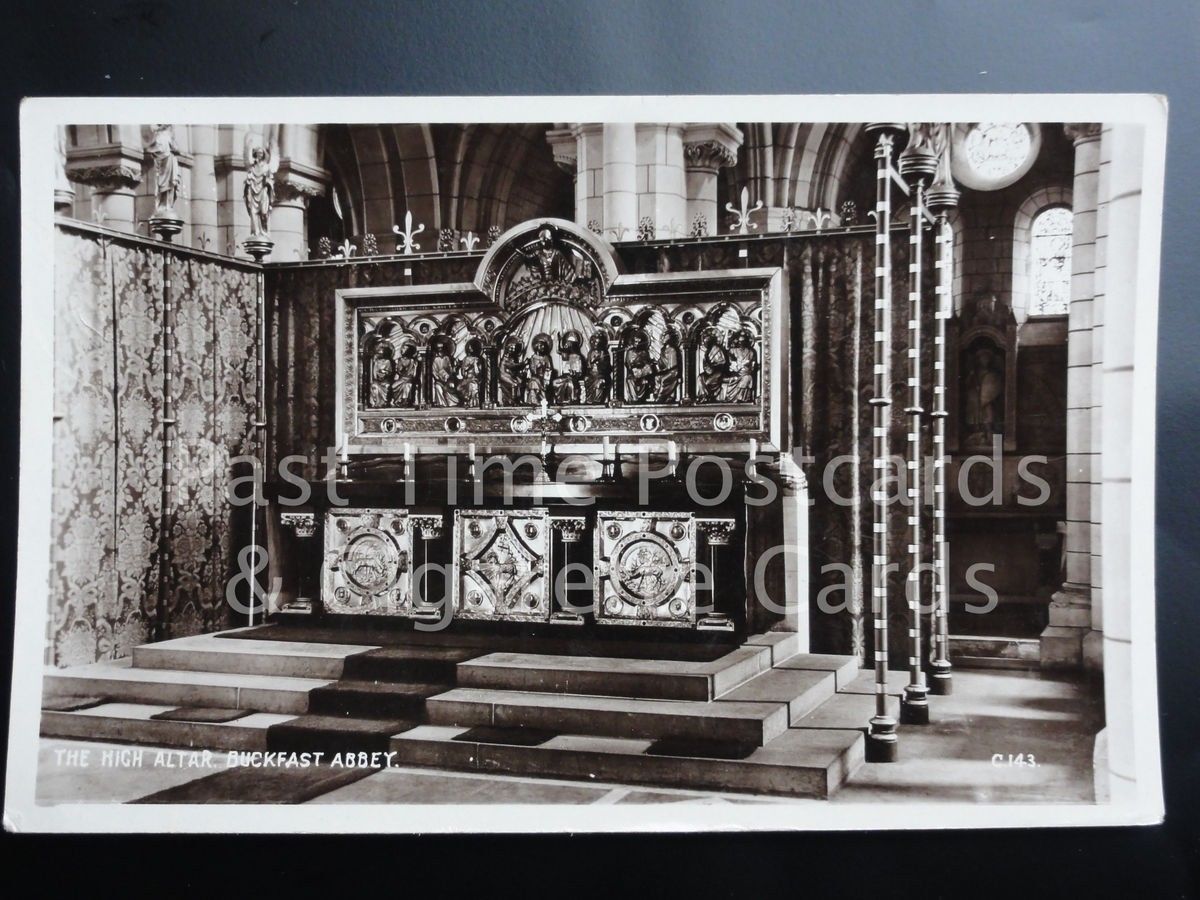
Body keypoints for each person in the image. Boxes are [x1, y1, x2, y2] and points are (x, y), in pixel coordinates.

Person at [721, 332, 758, 402]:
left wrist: (748, 366)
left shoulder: (750, 352)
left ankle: (742, 398)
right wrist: (736, 367)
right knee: (738, 378)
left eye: (743, 341)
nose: (741, 343)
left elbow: (753, 365)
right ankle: (733, 397)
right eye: (739, 341)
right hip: (736, 373)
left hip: (746, 373)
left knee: (747, 378)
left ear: (746, 342)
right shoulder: (733, 350)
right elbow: (730, 363)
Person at [553, 331, 585, 404]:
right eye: (566, 344)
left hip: (572, 377)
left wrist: (574, 373)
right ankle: (559, 400)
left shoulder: (577, 357)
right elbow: (558, 350)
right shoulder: (565, 355)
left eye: (569, 344)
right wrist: (558, 340)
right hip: (565, 376)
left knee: (570, 384)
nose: (566, 345)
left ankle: (571, 400)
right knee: (555, 382)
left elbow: (580, 372)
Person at [623, 330, 655, 402]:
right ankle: (634, 399)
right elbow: (627, 363)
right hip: (633, 374)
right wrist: (633, 369)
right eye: (635, 342)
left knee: (645, 381)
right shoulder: (630, 352)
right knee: (630, 380)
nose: (637, 344)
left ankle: (641, 399)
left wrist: (645, 367)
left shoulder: (644, 352)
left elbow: (647, 363)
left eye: (639, 342)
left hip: (643, 374)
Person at [430, 338, 462, 407]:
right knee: (438, 387)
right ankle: (441, 403)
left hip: (448, 379)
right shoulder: (435, 359)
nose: (440, 350)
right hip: (439, 380)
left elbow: (450, 369)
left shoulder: (447, 358)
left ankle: (452, 402)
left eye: (441, 348)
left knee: (451, 386)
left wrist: (448, 375)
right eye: (439, 348)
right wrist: (438, 377)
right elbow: (433, 371)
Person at [524, 334, 555, 404]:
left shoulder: (546, 358)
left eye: (543, 346)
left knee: (540, 382)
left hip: (545, 378)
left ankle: (543, 400)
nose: (542, 347)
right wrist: (537, 366)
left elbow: (549, 369)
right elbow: (532, 370)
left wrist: (546, 376)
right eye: (541, 346)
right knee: (533, 382)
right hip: (535, 377)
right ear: (536, 347)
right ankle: (534, 401)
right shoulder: (533, 358)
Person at [698, 331, 728, 401]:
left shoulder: (716, 350)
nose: (705, 343)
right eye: (705, 342)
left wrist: (713, 367)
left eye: (707, 342)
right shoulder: (707, 351)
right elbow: (705, 363)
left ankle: (709, 396)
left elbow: (722, 362)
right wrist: (707, 368)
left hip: (718, 371)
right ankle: (703, 396)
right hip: (709, 372)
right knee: (700, 377)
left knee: (707, 382)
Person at [584, 332, 611, 404]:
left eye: (596, 342)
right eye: (593, 342)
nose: (594, 343)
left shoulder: (603, 352)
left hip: (600, 374)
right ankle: (589, 399)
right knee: (587, 379)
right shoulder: (590, 352)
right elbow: (588, 364)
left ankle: (597, 400)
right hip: (591, 374)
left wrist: (599, 361)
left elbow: (606, 365)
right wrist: (590, 363)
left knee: (600, 381)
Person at [655, 331, 681, 402]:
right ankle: (657, 394)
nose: (663, 339)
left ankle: (661, 397)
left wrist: (663, 370)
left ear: (669, 339)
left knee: (663, 379)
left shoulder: (672, 350)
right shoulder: (663, 350)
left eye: (665, 337)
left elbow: (672, 365)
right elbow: (661, 363)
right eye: (663, 337)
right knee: (657, 377)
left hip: (672, 371)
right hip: (666, 371)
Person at [497, 337, 525, 405]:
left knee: (521, 382)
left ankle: (520, 399)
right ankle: (513, 401)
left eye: (514, 348)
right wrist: (523, 364)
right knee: (514, 384)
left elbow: (515, 368)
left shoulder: (513, 358)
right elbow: (512, 366)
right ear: (507, 348)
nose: (513, 350)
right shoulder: (505, 357)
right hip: (503, 375)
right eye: (511, 348)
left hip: (510, 375)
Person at [458, 338, 484, 407]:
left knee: (472, 386)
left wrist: (475, 364)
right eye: (469, 348)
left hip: (474, 379)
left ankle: (472, 403)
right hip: (466, 379)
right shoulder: (465, 359)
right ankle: (466, 401)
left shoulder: (477, 359)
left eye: (471, 348)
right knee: (458, 388)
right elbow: (463, 372)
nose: (470, 349)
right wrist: (465, 370)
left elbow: (478, 372)